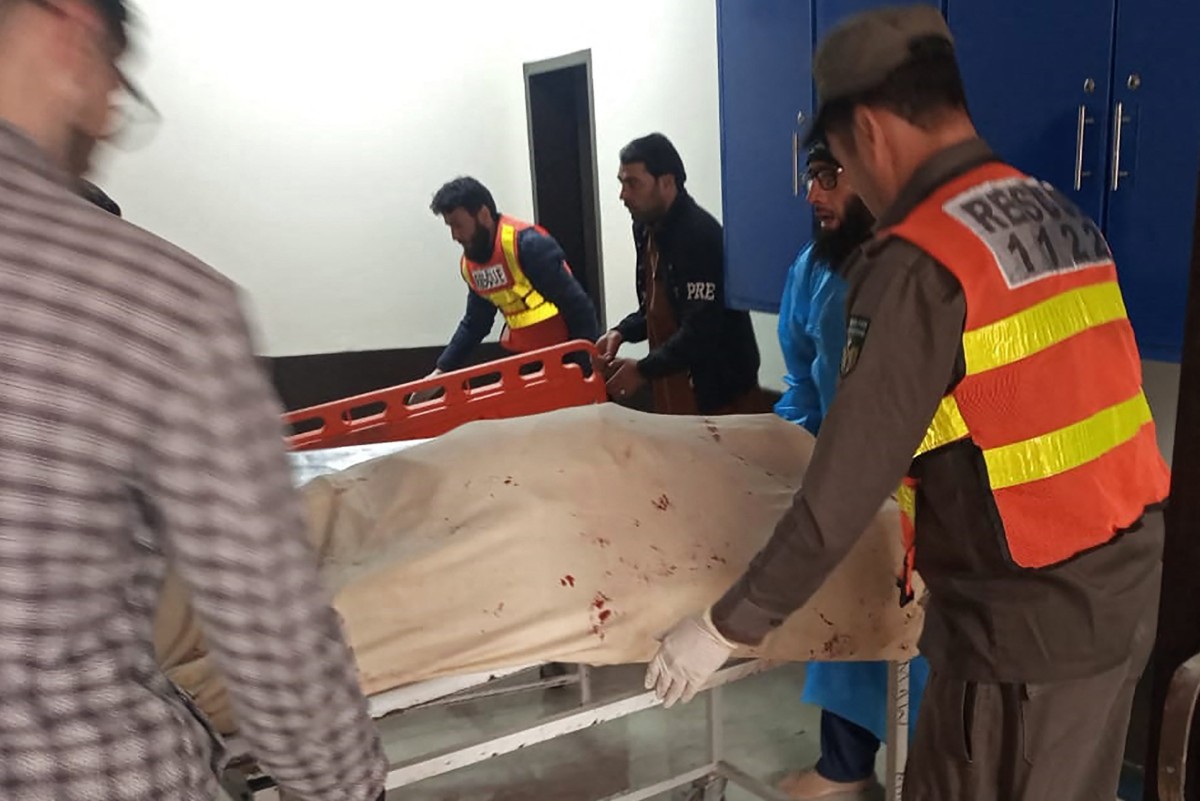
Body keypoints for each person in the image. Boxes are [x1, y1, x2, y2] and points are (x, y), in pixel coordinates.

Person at [645, 7, 1170, 801]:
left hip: (1024, 634)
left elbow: (840, 494)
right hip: (1124, 588)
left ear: (868, 130)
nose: (848, 184)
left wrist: (723, 628)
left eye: (843, 161)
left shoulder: (922, 259)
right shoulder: (1054, 212)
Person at [0, 2, 386, 800]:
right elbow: (272, 633)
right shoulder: (149, 303)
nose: (108, 123)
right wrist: (347, 786)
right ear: (70, 32)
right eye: (115, 86)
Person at [775, 141, 929, 799]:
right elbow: (803, 374)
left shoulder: (919, 271)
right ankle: (844, 762)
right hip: (845, 477)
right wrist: (784, 449)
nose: (815, 193)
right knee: (845, 618)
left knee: (917, 635)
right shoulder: (814, 269)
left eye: (830, 176)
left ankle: (931, 770)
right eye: (812, 176)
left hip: (922, 481)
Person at [598, 133, 763, 415]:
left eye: (633, 183)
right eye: (621, 183)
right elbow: (656, 310)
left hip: (721, 393)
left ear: (667, 183)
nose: (623, 195)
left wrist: (642, 370)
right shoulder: (645, 227)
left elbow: (701, 330)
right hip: (674, 384)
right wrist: (620, 332)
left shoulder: (699, 236)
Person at [421, 176, 599, 388]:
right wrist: (442, 370)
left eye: (458, 225)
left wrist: (584, 370)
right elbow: (476, 322)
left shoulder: (528, 245)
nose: (454, 236)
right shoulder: (471, 265)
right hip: (524, 361)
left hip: (564, 356)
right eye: (450, 227)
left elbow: (578, 308)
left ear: (483, 215)